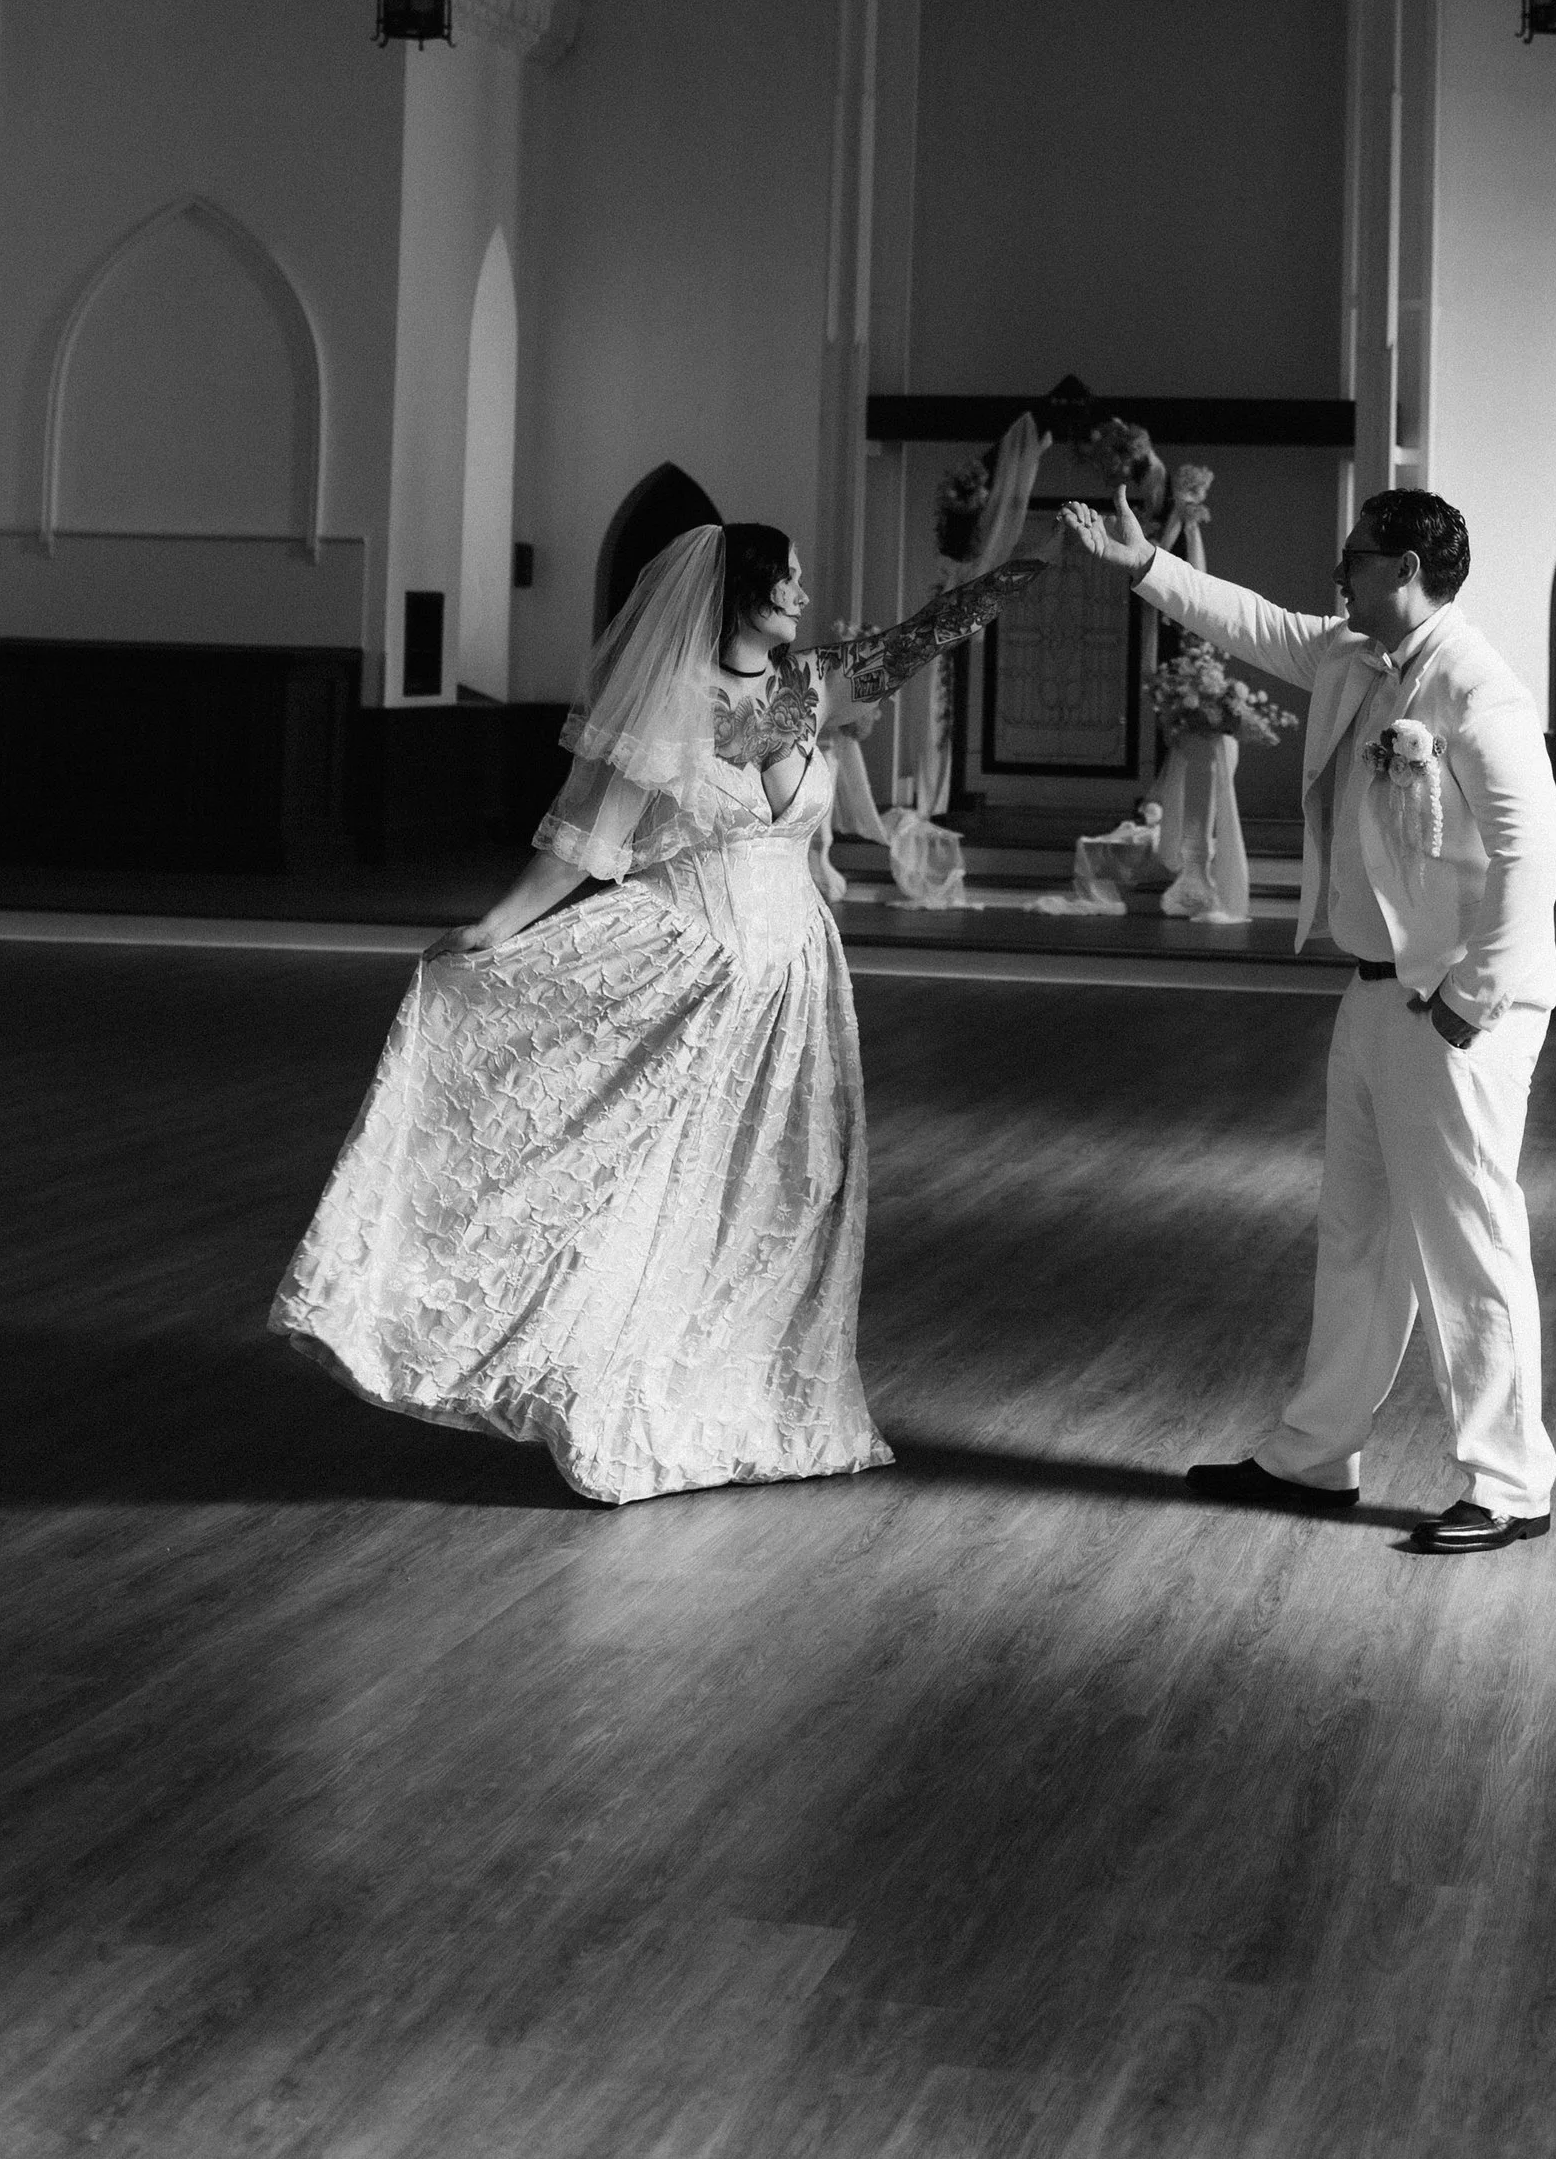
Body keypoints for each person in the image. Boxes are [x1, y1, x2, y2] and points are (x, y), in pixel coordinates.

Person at [271, 519, 1042, 1503]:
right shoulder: (669, 700)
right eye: (786, 581)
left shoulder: (804, 686)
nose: (802, 593)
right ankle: (618, 1398)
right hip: (694, 970)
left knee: (780, 1194)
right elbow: (580, 839)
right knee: (656, 1193)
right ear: (737, 595)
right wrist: (499, 923)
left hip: (795, 981)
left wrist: (1021, 571)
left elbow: (917, 641)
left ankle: (750, 1398)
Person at [1063, 481, 1556, 1554]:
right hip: (1373, 991)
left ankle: (1512, 1482)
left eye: (1355, 557)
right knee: (1357, 1236)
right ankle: (1314, 1455)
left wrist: (1469, 1002)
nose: (1337, 574)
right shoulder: (1347, 653)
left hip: (1456, 1009)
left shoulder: (1480, 691)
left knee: (1468, 1246)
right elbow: (1248, 621)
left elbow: (1536, 855)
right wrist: (1145, 567)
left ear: (1404, 570)